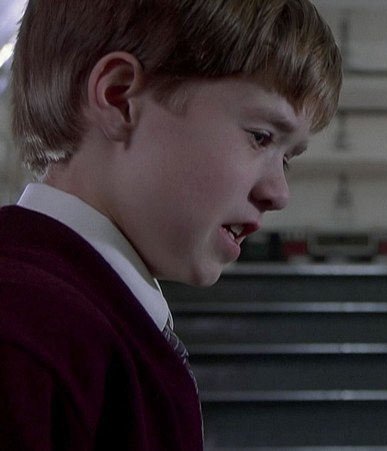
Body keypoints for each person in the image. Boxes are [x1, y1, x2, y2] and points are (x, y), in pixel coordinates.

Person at [0, 0, 341, 449]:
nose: (278, 193)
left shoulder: (85, 331)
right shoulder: (27, 344)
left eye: (288, 159)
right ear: (119, 99)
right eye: (260, 137)